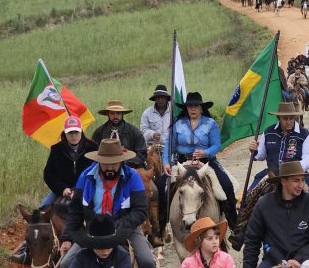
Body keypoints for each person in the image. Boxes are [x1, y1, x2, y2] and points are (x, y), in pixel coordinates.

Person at [10, 116, 100, 264]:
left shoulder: (93, 147)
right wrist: (62, 188)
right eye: (70, 132)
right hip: (61, 190)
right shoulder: (57, 149)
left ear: (81, 132)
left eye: (76, 132)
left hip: (88, 189)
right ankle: (26, 251)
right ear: (64, 133)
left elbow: (98, 170)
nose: (73, 135)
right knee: (39, 213)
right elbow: (49, 174)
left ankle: (109, 241)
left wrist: (82, 188)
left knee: (100, 210)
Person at [57, 139, 155, 268]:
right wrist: (67, 238)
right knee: (66, 263)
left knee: (146, 261)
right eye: (104, 164)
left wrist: (117, 225)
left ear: (121, 161)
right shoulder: (85, 177)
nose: (109, 167)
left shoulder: (133, 177)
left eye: (113, 163)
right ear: (98, 161)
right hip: (94, 227)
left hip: (125, 225)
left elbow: (141, 210)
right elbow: (75, 211)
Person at [163, 92, 237, 229]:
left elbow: (216, 145)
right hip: (182, 161)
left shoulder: (211, 124)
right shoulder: (177, 124)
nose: (193, 109)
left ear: (201, 108)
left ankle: (234, 224)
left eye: (196, 106)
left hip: (206, 162)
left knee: (226, 185)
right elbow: (169, 145)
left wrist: (205, 152)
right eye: (190, 106)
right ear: (186, 108)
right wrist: (166, 162)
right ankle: (160, 227)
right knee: (161, 186)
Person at [243, 161, 309, 268]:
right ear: (283, 181)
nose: (301, 185)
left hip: (304, 261)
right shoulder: (263, 204)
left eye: (303, 180)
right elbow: (252, 240)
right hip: (273, 262)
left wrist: (298, 259)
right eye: (296, 181)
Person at [247, 102, 309, 199]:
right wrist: (254, 150)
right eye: (285, 119)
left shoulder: (304, 134)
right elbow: (260, 155)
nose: (289, 121)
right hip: (271, 174)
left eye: (291, 118)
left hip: (297, 174)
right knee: (248, 197)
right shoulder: (268, 132)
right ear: (279, 118)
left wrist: (292, 169)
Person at [140, 85, 173, 244]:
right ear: (155, 99)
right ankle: (154, 226)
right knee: (149, 179)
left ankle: (167, 222)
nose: (160, 100)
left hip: (170, 149)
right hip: (152, 148)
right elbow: (142, 130)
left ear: (167, 98)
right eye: (158, 97)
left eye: (163, 97)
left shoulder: (174, 113)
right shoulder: (147, 113)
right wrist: (152, 134)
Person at [91, 100, 147, 169]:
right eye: (112, 113)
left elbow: (142, 155)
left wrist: (125, 163)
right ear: (108, 114)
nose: (115, 116)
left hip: (130, 169)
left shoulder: (134, 132)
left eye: (118, 113)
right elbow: (93, 154)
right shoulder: (99, 132)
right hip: (104, 169)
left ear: (122, 114)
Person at [68, 214, 132, 268]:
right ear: (91, 244)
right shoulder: (82, 256)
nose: (105, 252)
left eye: (109, 246)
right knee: (65, 262)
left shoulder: (122, 256)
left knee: (142, 258)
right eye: (100, 247)